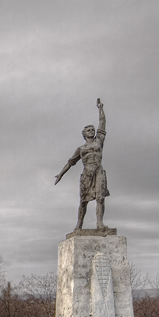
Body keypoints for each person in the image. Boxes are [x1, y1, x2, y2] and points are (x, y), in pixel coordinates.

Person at [55, 98, 108, 231]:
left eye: (92, 129)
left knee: (100, 198)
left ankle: (100, 223)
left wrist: (100, 109)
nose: (91, 131)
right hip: (87, 174)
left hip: (99, 171)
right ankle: (79, 224)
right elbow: (70, 162)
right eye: (88, 130)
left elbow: (102, 123)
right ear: (84, 134)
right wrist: (60, 174)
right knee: (83, 201)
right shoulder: (81, 149)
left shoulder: (99, 142)